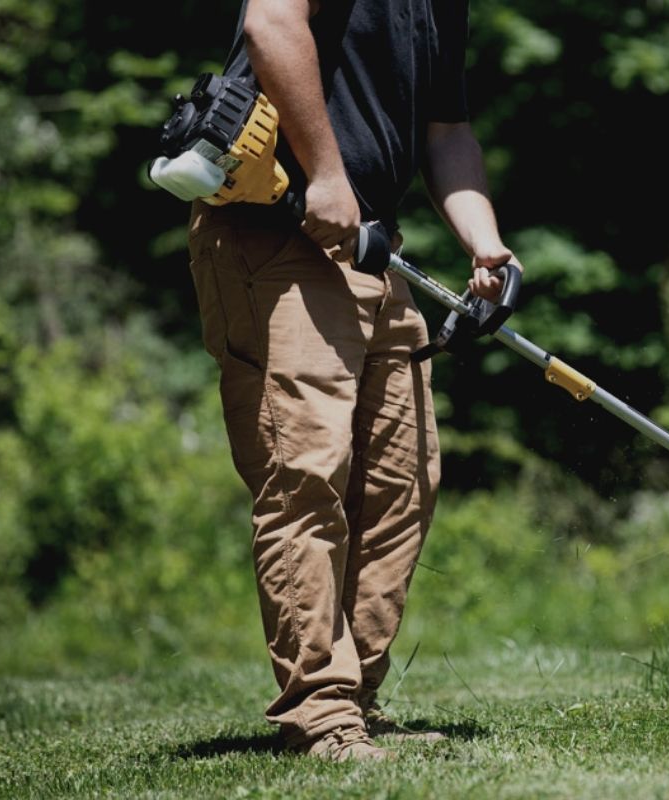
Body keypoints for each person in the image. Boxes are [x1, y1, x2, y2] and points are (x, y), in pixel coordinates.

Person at [186, 0, 520, 762]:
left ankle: (355, 699)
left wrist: (486, 245)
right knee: (305, 474)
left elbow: (447, 131)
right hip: (275, 231)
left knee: (401, 484)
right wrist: (329, 176)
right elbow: (271, 23)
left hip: (369, 248)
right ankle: (322, 710)